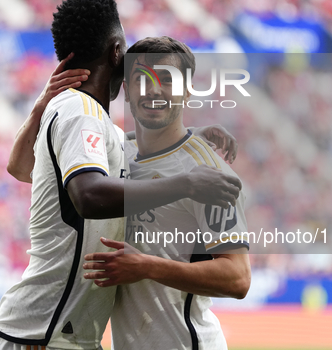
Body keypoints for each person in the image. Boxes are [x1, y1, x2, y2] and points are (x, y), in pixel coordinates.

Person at [0, 0, 242, 350]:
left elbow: (20, 166)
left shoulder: (99, 126)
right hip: (43, 333)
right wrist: (187, 183)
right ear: (115, 51)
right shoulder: (79, 110)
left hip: (67, 334)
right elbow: (89, 195)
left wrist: (186, 137)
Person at [82, 36, 251, 349]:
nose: (154, 89)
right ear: (128, 93)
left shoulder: (209, 173)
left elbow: (238, 278)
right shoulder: (118, 153)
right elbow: (25, 169)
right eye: (141, 79)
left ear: (187, 92)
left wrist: (147, 266)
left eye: (167, 80)